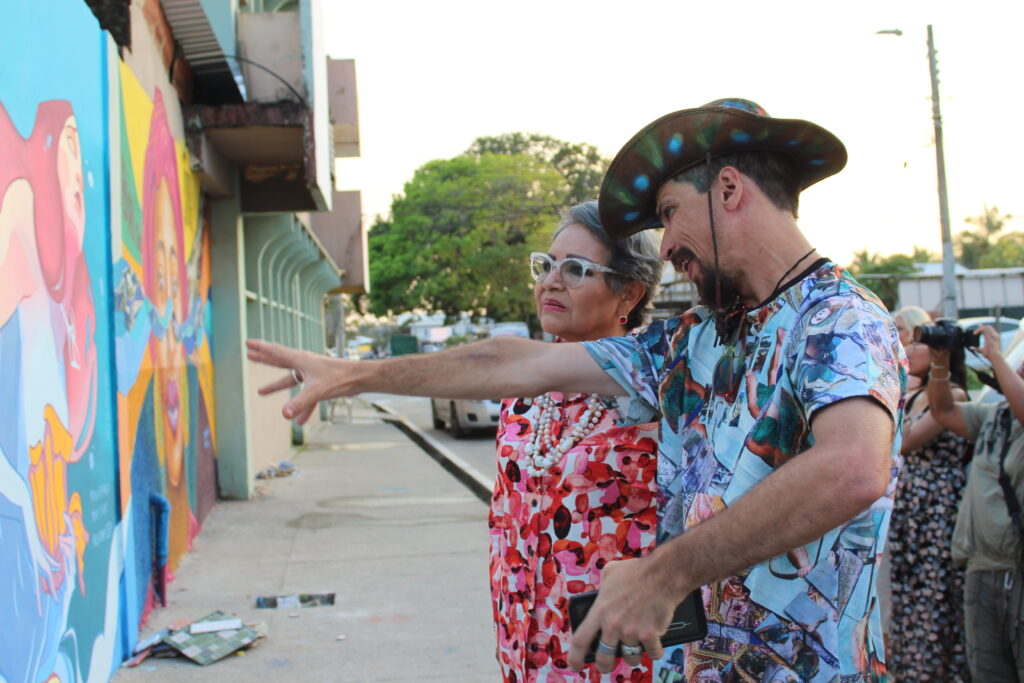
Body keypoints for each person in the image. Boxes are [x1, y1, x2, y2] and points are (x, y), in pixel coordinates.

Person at [247, 99, 905, 680]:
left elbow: (852, 466)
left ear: (729, 188)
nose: (668, 241)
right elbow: (515, 364)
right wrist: (353, 374)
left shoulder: (840, 319)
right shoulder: (690, 342)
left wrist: (663, 572)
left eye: (672, 213)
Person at [490, 201, 667, 681]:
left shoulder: (660, 392)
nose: (550, 281)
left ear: (628, 293)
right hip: (523, 644)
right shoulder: (521, 392)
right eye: (545, 265)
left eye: (575, 269)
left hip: (615, 657)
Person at [925, 324, 1024, 681]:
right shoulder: (995, 417)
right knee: (987, 673)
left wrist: (996, 356)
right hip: (981, 568)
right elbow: (942, 410)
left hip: (1018, 570)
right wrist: (940, 361)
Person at [886, 306, 970, 681]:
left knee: (934, 600)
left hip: (937, 512)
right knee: (909, 596)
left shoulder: (952, 395)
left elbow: (900, 443)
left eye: (918, 343)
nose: (908, 348)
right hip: (913, 513)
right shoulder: (916, 395)